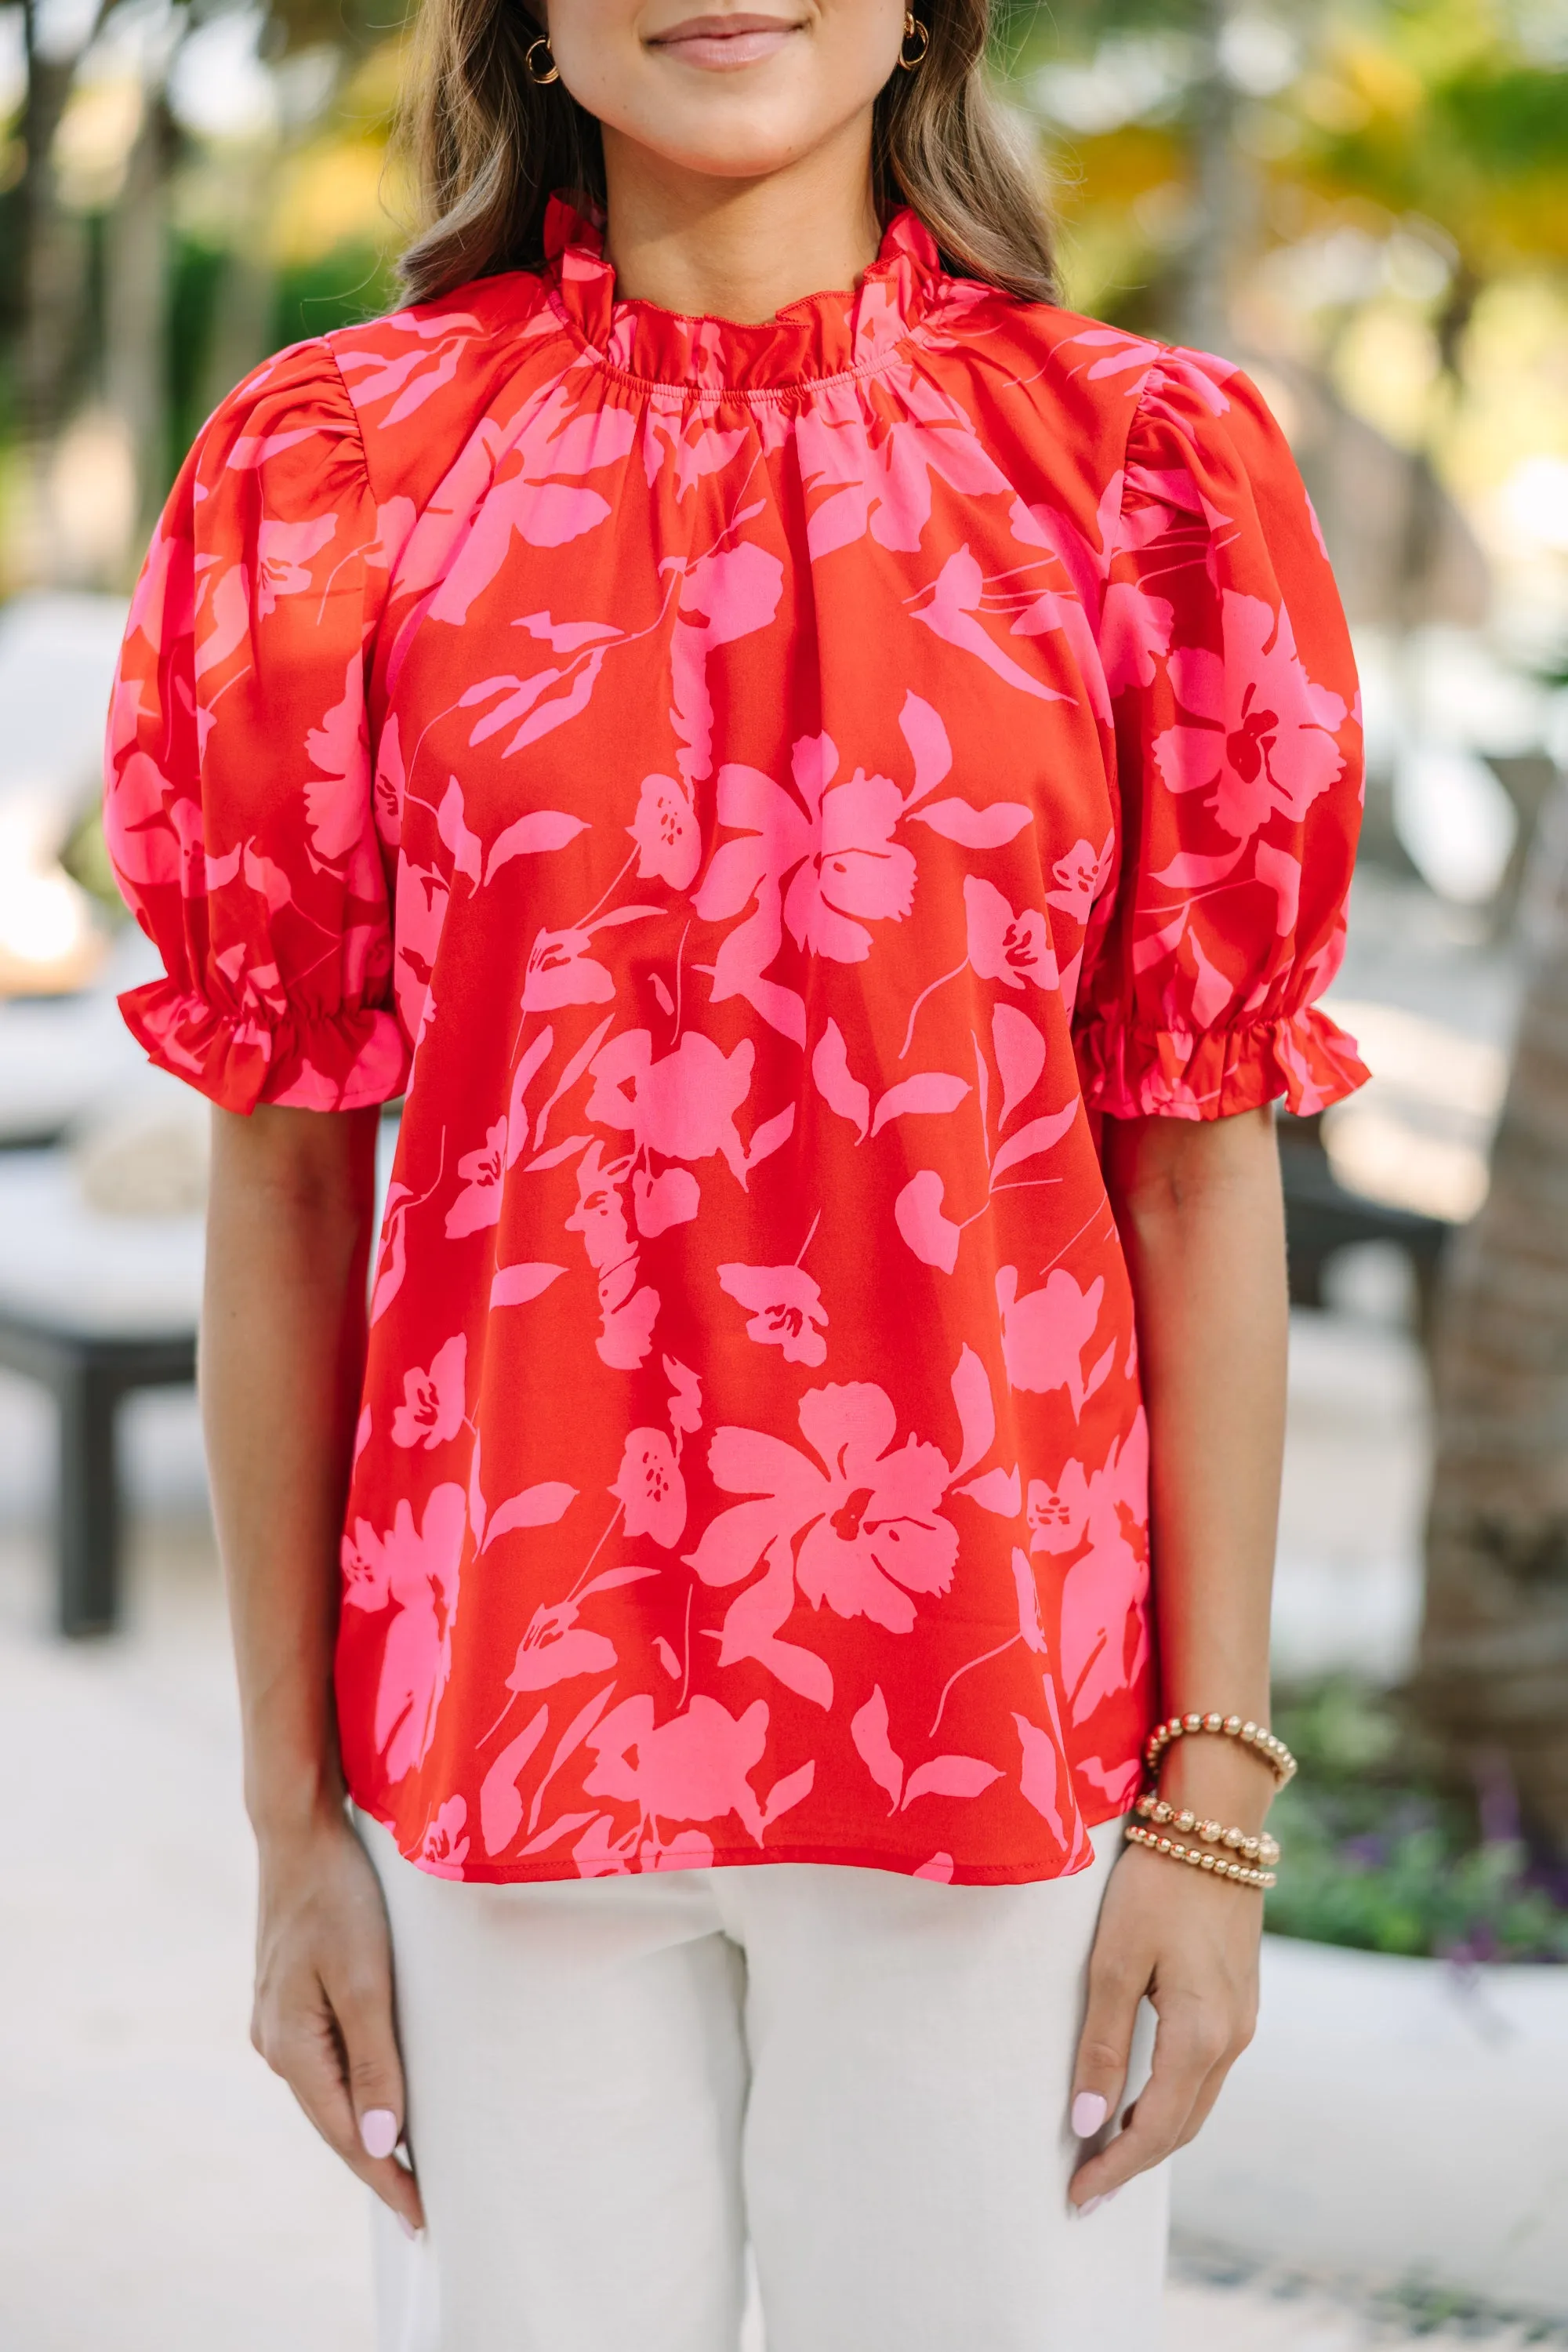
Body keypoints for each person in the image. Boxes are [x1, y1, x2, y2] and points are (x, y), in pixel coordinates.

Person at [103, 5, 1367, 2346]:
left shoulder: (1139, 475)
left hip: (1003, 1745)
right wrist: (293, 1835)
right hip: (496, 1743)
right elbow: (281, 1182)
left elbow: (1202, 1177)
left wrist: (1211, 1806)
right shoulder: (339, 470)